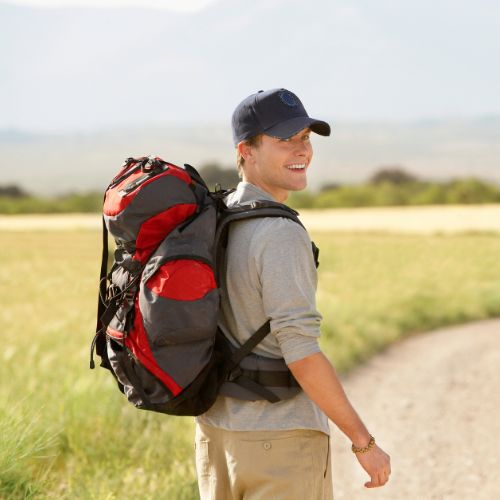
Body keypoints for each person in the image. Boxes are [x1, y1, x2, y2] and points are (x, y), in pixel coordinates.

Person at [195, 88, 391, 499]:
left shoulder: (218, 217)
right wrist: (363, 441)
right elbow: (301, 351)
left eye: (305, 137)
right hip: (279, 441)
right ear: (245, 149)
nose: (301, 149)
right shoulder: (279, 233)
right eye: (285, 140)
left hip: (216, 433)